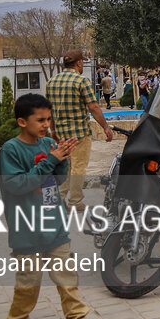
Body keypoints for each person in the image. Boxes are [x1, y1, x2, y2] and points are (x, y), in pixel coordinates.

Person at [0, 93, 107, 319]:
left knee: (68, 278)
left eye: (48, 119)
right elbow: (17, 185)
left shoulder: (47, 143)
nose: (46, 125)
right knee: (29, 283)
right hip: (27, 229)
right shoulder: (10, 150)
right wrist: (52, 160)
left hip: (53, 226)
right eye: (40, 120)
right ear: (22, 122)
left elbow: (55, 182)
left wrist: (62, 160)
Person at [44, 50, 114, 212]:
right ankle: (75, 202)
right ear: (78, 63)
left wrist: (52, 130)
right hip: (79, 133)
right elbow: (93, 107)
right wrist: (105, 127)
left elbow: (49, 110)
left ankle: (59, 199)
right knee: (78, 167)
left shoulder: (52, 82)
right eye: (82, 61)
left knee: (65, 167)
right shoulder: (81, 81)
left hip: (61, 133)